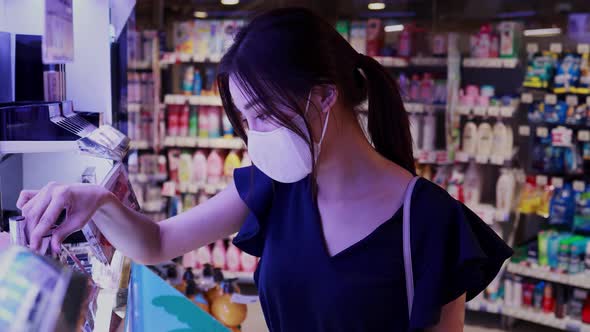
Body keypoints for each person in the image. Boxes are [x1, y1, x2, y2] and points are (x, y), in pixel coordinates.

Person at [17, 8, 512, 332]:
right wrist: (98, 202)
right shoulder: (276, 187)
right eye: (245, 120)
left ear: (323, 96)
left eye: (261, 116)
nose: (253, 137)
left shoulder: (428, 223)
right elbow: (157, 242)